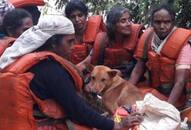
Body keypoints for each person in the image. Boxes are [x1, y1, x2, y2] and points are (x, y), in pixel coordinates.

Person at [0, 15, 143, 130]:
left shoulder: (27, 58)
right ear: (54, 42)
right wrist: (116, 125)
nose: (73, 47)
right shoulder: (50, 69)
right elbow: (78, 110)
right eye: (69, 42)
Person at [129, 4, 191, 109]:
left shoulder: (184, 44)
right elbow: (138, 70)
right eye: (157, 22)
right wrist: (125, 90)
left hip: (176, 96)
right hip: (154, 90)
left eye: (167, 22)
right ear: (152, 23)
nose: (162, 26)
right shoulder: (148, 37)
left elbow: (180, 82)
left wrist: (167, 109)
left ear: (173, 22)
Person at [79, 7, 143, 79]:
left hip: (126, 80)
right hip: (103, 79)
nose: (129, 24)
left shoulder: (136, 41)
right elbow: (85, 63)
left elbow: (139, 69)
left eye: (129, 20)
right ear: (113, 25)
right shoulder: (102, 40)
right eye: (123, 21)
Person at [65, 0, 105, 64]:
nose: (77, 20)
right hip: (70, 70)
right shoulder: (64, 35)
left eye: (80, 15)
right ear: (68, 19)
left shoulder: (99, 33)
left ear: (86, 16)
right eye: (73, 17)